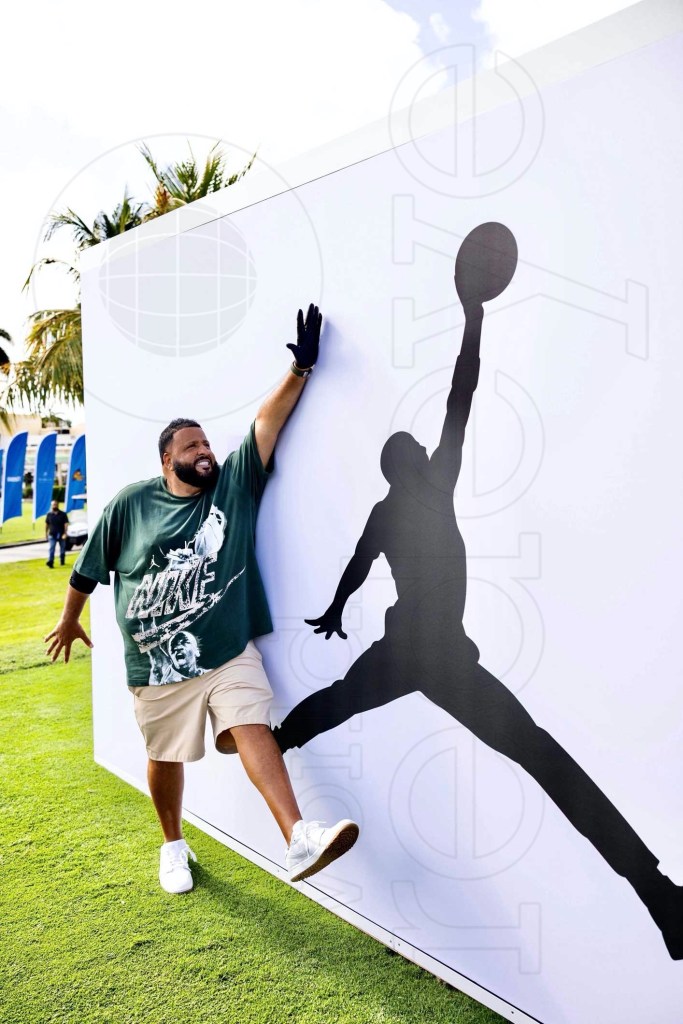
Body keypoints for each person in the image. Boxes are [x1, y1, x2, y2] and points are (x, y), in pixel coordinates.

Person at [273, 226, 683, 961]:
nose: (424, 450)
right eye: (415, 450)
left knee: (333, 704)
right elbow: (460, 395)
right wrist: (471, 316)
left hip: (412, 655)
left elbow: (359, 567)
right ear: (410, 464)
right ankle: (658, 896)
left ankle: (270, 744)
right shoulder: (431, 487)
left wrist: (336, 611)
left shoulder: (397, 502)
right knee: (542, 758)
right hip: (438, 659)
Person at [45, 304, 359, 895]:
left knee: (252, 721)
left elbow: (265, 426)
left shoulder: (233, 488)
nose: (205, 450)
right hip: (155, 664)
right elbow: (88, 570)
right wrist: (68, 620)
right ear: (168, 460)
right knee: (164, 757)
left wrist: (300, 370)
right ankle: (172, 844)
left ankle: (298, 839)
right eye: (192, 445)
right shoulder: (131, 505)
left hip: (224, 648)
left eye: (207, 442)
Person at [45, 500, 68, 568]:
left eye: (55, 504)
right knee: (51, 548)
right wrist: (46, 534)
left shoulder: (63, 514)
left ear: (58, 505)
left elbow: (66, 524)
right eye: (53, 504)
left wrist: (65, 533)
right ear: (51, 506)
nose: (54, 505)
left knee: (62, 549)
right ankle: (50, 562)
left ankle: (62, 560)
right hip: (52, 535)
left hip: (61, 534)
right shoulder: (49, 514)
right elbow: (46, 524)